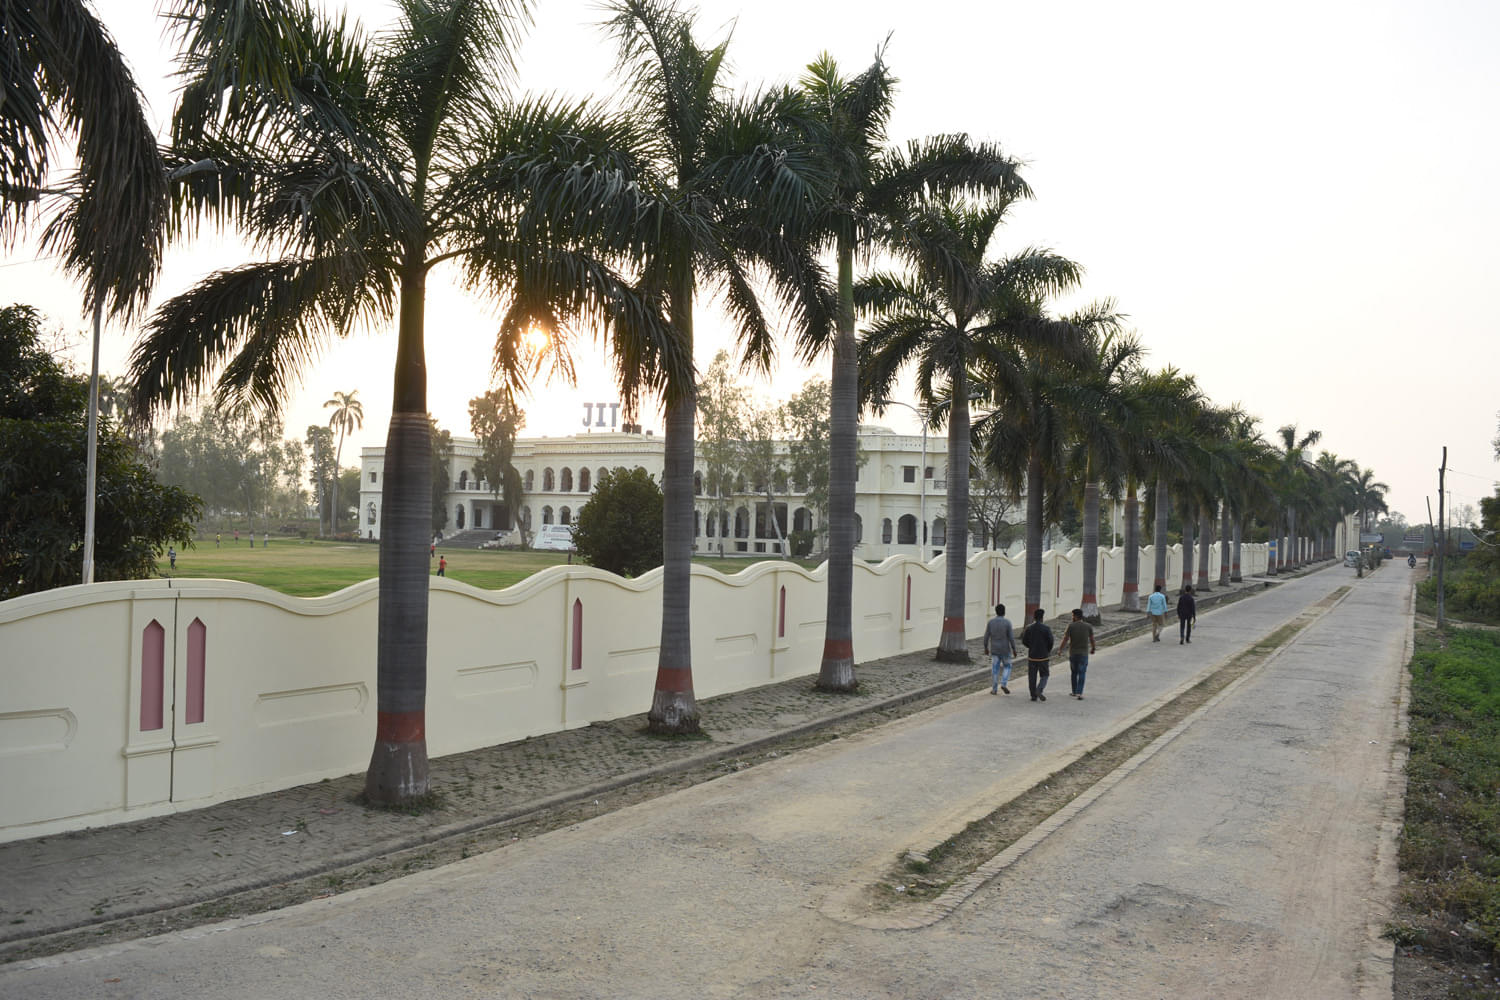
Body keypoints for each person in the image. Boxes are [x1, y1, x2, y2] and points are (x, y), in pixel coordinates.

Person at [1058, 608, 1096, 699]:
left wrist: (1060, 649)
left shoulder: (1070, 626)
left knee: (1074, 672)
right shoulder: (1088, 626)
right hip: (1083, 653)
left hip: (1073, 653)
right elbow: (1092, 639)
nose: (1072, 617)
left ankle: (1074, 691)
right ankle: (1079, 692)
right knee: (1082, 672)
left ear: (1075, 616)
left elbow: (1065, 639)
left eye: (1072, 615)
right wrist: (1093, 648)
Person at [983, 603, 1018, 695]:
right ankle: (1003, 683)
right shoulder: (1007, 622)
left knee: (995, 669)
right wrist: (1014, 649)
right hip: (1005, 650)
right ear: (1004, 612)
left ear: (996, 612)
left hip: (994, 650)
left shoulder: (990, 622)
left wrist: (985, 647)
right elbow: (1011, 637)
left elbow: (986, 636)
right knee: (1007, 666)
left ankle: (994, 689)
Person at [1021, 608, 1054, 702]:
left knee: (1032, 677)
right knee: (1045, 674)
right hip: (1043, 656)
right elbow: (1051, 641)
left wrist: (1031, 647)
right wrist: (1047, 650)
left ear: (1034, 617)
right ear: (1042, 617)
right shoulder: (1046, 629)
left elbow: (1024, 641)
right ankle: (1039, 689)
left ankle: (1033, 695)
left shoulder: (1029, 628)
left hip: (1032, 656)